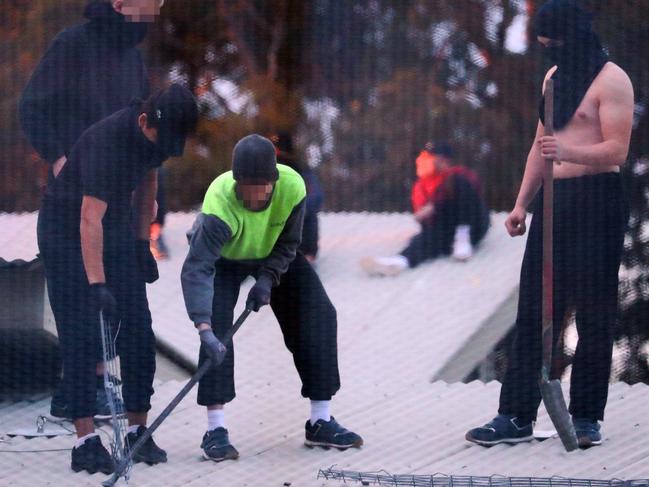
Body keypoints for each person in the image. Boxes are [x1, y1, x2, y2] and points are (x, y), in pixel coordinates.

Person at [465, 0, 633, 449]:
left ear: (574, 36)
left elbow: (616, 151)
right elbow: (541, 145)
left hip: (598, 200)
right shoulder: (553, 78)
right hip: (554, 205)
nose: (549, 53)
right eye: (542, 46)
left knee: (595, 312)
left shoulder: (613, 80)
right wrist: (521, 203)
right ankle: (515, 416)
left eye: (554, 44)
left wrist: (570, 153)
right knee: (536, 309)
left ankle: (585, 419)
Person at [37, 84, 198, 474]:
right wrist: (96, 284)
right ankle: (85, 442)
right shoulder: (106, 143)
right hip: (64, 232)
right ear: (145, 121)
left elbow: (148, 185)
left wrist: (142, 243)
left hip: (113, 228)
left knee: (139, 331)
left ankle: (137, 433)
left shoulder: (158, 137)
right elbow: (87, 218)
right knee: (81, 334)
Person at [19, 0, 163, 420]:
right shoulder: (73, 44)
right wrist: (60, 159)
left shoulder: (133, 59)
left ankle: (97, 384)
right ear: (119, 4)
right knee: (79, 302)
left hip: (117, 205)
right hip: (70, 206)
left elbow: (146, 131)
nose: (158, 4)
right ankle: (80, 391)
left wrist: (153, 203)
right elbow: (31, 107)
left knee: (120, 303)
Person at [181, 134, 363, 462]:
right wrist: (203, 327)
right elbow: (197, 269)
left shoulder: (293, 188)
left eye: (259, 186)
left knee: (320, 314)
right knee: (218, 328)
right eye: (244, 186)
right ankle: (215, 429)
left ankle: (320, 420)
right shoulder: (219, 206)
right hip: (224, 260)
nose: (251, 195)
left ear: (273, 181)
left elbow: (290, 242)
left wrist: (267, 279)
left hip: (272, 255)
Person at [360, 142, 490, 276]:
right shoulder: (421, 186)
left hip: (473, 225)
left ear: (442, 160)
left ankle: (463, 236)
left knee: (458, 184)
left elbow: (475, 192)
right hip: (446, 232)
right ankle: (398, 262)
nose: (421, 161)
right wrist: (423, 215)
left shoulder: (458, 174)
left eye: (428, 158)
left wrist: (435, 205)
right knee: (423, 238)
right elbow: (423, 216)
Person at [270, 132, 324, 262]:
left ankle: (305, 255)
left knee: (307, 216)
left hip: (297, 225)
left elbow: (316, 197)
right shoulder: (261, 172)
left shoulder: (301, 172)